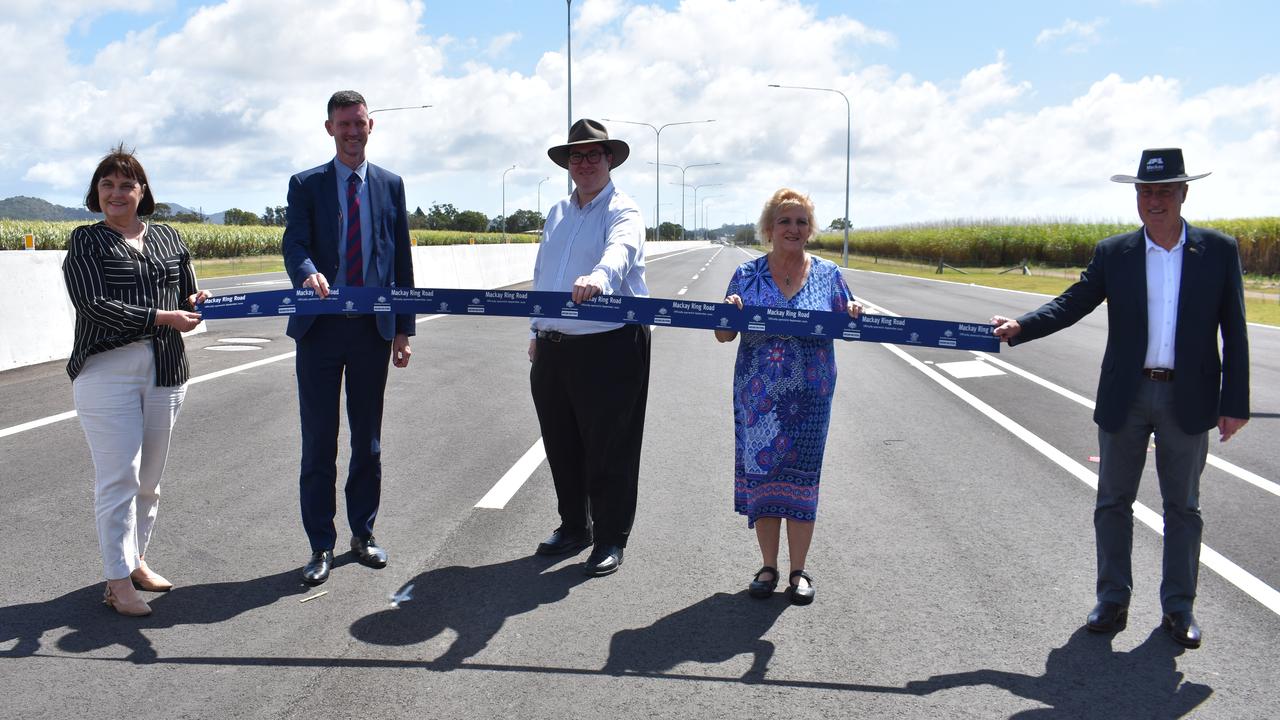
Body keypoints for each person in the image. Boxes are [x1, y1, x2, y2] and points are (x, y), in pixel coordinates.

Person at [990, 148, 1249, 648]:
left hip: (1189, 398)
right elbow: (1073, 302)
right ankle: (1112, 600)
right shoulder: (1116, 253)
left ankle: (1178, 609)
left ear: (1183, 194)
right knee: (1112, 502)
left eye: (1165, 191)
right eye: (1146, 191)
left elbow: (1234, 332)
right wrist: (1022, 326)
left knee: (1184, 508)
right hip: (1126, 396)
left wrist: (1233, 401)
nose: (1154, 200)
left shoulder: (1218, 251)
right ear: (1136, 196)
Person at [63, 144, 208, 616]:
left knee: (150, 481)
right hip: (107, 372)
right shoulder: (87, 241)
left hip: (166, 370)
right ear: (96, 193)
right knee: (118, 480)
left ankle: (136, 559)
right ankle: (116, 582)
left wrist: (198, 298)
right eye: (108, 184)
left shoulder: (168, 237)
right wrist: (163, 316)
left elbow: (187, 291)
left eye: (127, 184)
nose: (117, 193)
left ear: (142, 191)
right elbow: (93, 306)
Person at [282, 90, 416, 585]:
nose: (352, 132)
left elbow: (400, 259)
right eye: (343, 125)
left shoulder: (391, 185)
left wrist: (403, 328)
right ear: (329, 129)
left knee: (369, 443)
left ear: (370, 126)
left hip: (371, 333)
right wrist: (307, 272)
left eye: (359, 123)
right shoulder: (306, 184)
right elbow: (294, 241)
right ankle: (320, 545)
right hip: (318, 332)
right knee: (319, 442)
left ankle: (363, 534)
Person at [715, 189, 861, 605]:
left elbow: (849, 326)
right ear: (769, 229)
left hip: (811, 397)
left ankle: (798, 571)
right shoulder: (746, 276)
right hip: (759, 396)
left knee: (803, 480)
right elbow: (723, 335)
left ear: (810, 230)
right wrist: (731, 311)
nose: (793, 229)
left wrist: (853, 313)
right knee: (763, 478)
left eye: (800, 222)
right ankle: (768, 567)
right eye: (784, 221)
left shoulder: (829, 275)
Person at [529, 119, 650, 577]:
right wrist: (536, 332)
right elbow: (544, 274)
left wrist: (599, 279)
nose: (584, 163)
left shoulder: (623, 210)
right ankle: (573, 525)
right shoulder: (558, 211)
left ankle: (611, 537)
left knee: (609, 446)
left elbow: (620, 253)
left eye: (593, 154)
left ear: (609, 159)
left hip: (610, 345)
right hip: (554, 346)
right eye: (576, 156)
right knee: (562, 443)